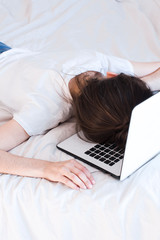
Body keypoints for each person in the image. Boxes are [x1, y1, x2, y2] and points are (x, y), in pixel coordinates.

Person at [0, 42, 159, 190]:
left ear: (113, 76)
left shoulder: (96, 63)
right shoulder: (44, 109)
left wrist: (137, 86)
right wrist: (46, 168)